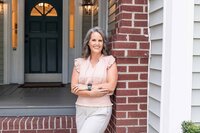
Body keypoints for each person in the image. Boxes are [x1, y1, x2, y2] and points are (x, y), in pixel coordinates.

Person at [71, 26, 118, 133]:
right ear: (88, 42)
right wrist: (94, 92)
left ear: (103, 43)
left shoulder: (109, 61)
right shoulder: (79, 62)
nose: (97, 43)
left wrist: (85, 87)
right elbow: (73, 88)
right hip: (81, 109)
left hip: (100, 109)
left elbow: (110, 87)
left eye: (100, 40)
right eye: (94, 40)